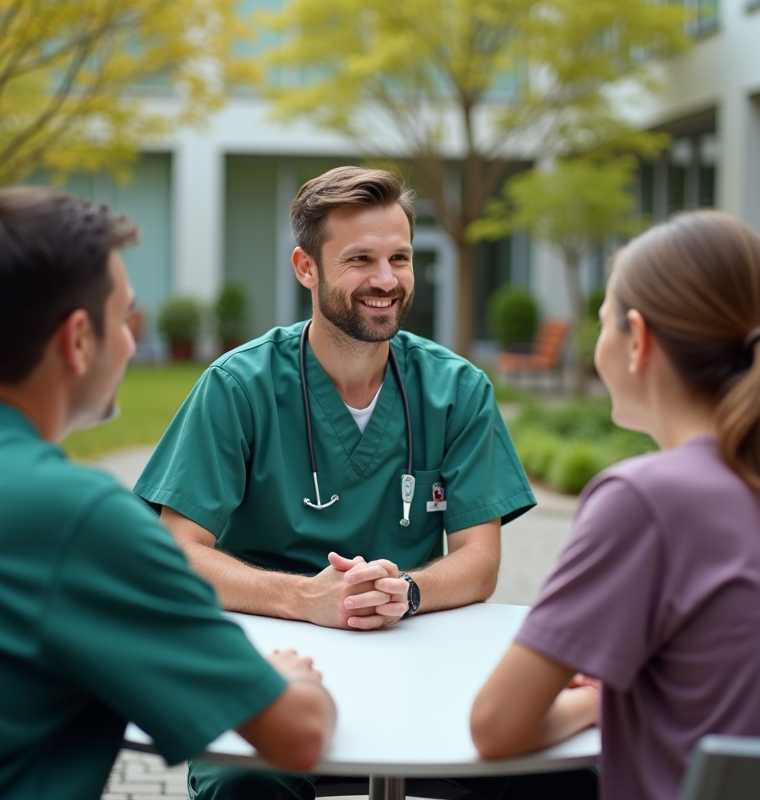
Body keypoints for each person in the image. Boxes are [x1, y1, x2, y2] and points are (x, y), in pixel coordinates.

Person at [0, 187, 335, 800]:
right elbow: (298, 736)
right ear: (77, 340)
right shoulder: (81, 517)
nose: (131, 342)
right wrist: (290, 678)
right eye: (125, 319)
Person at [136, 166, 592, 799]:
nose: (386, 280)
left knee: (563, 778)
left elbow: (480, 562)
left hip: (415, 658)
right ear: (306, 267)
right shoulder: (237, 388)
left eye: (399, 258)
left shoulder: (455, 390)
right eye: (360, 259)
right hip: (277, 668)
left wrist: (403, 591)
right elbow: (176, 555)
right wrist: (305, 599)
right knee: (242, 787)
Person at [470, 210, 760, 800]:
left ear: (638, 341)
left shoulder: (645, 501)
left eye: (603, 324)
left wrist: (596, 704)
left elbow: (495, 727)